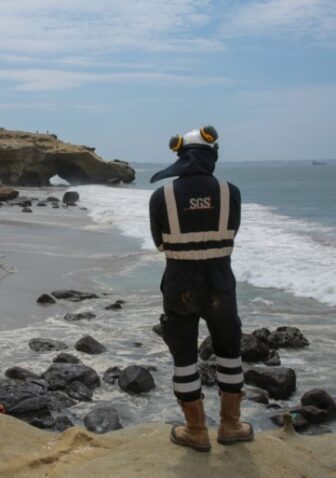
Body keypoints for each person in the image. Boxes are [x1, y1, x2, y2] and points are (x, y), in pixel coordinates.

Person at [149, 126, 251, 452]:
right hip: (221, 284)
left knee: (184, 359)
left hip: (179, 287)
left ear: (181, 156)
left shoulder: (160, 196)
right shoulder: (230, 192)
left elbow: (160, 242)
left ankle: (196, 430)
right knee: (229, 354)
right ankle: (232, 425)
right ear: (212, 156)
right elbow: (230, 231)